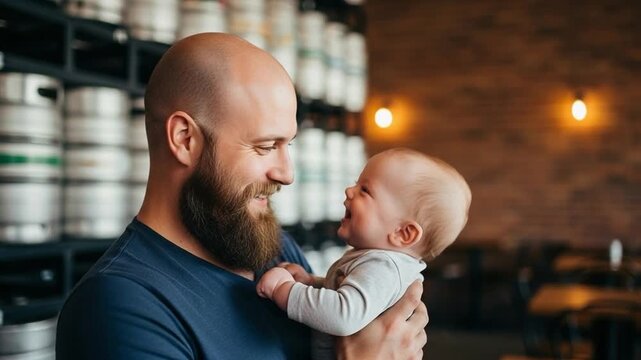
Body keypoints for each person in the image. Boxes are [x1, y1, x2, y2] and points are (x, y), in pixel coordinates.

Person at [56, 33, 428, 360]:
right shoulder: (119, 307)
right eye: (266, 146)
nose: (287, 173)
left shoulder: (275, 249)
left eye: (289, 145)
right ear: (185, 139)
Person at [257, 148, 472, 359]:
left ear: (403, 233)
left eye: (365, 190)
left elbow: (343, 316)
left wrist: (285, 290)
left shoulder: (383, 267)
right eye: (356, 183)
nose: (349, 191)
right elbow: (348, 297)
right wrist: (311, 283)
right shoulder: (378, 263)